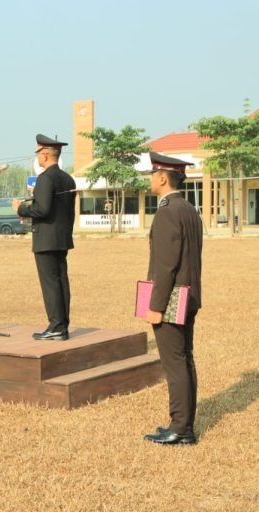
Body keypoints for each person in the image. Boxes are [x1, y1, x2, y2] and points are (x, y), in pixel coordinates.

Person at [141, 153, 202, 445]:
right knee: (185, 360)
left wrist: (155, 306)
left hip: (172, 298)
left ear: (163, 178)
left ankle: (181, 427)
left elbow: (166, 265)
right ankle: (184, 424)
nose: (150, 180)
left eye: (152, 175)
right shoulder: (189, 209)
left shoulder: (167, 212)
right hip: (189, 295)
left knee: (175, 363)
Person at [12, 134, 76, 341]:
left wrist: (20, 208)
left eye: (39, 152)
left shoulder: (46, 178)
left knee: (50, 283)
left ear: (46, 154)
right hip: (61, 238)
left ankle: (56, 326)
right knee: (61, 281)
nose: (37, 156)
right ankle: (62, 324)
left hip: (46, 239)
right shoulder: (67, 178)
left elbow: (42, 210)